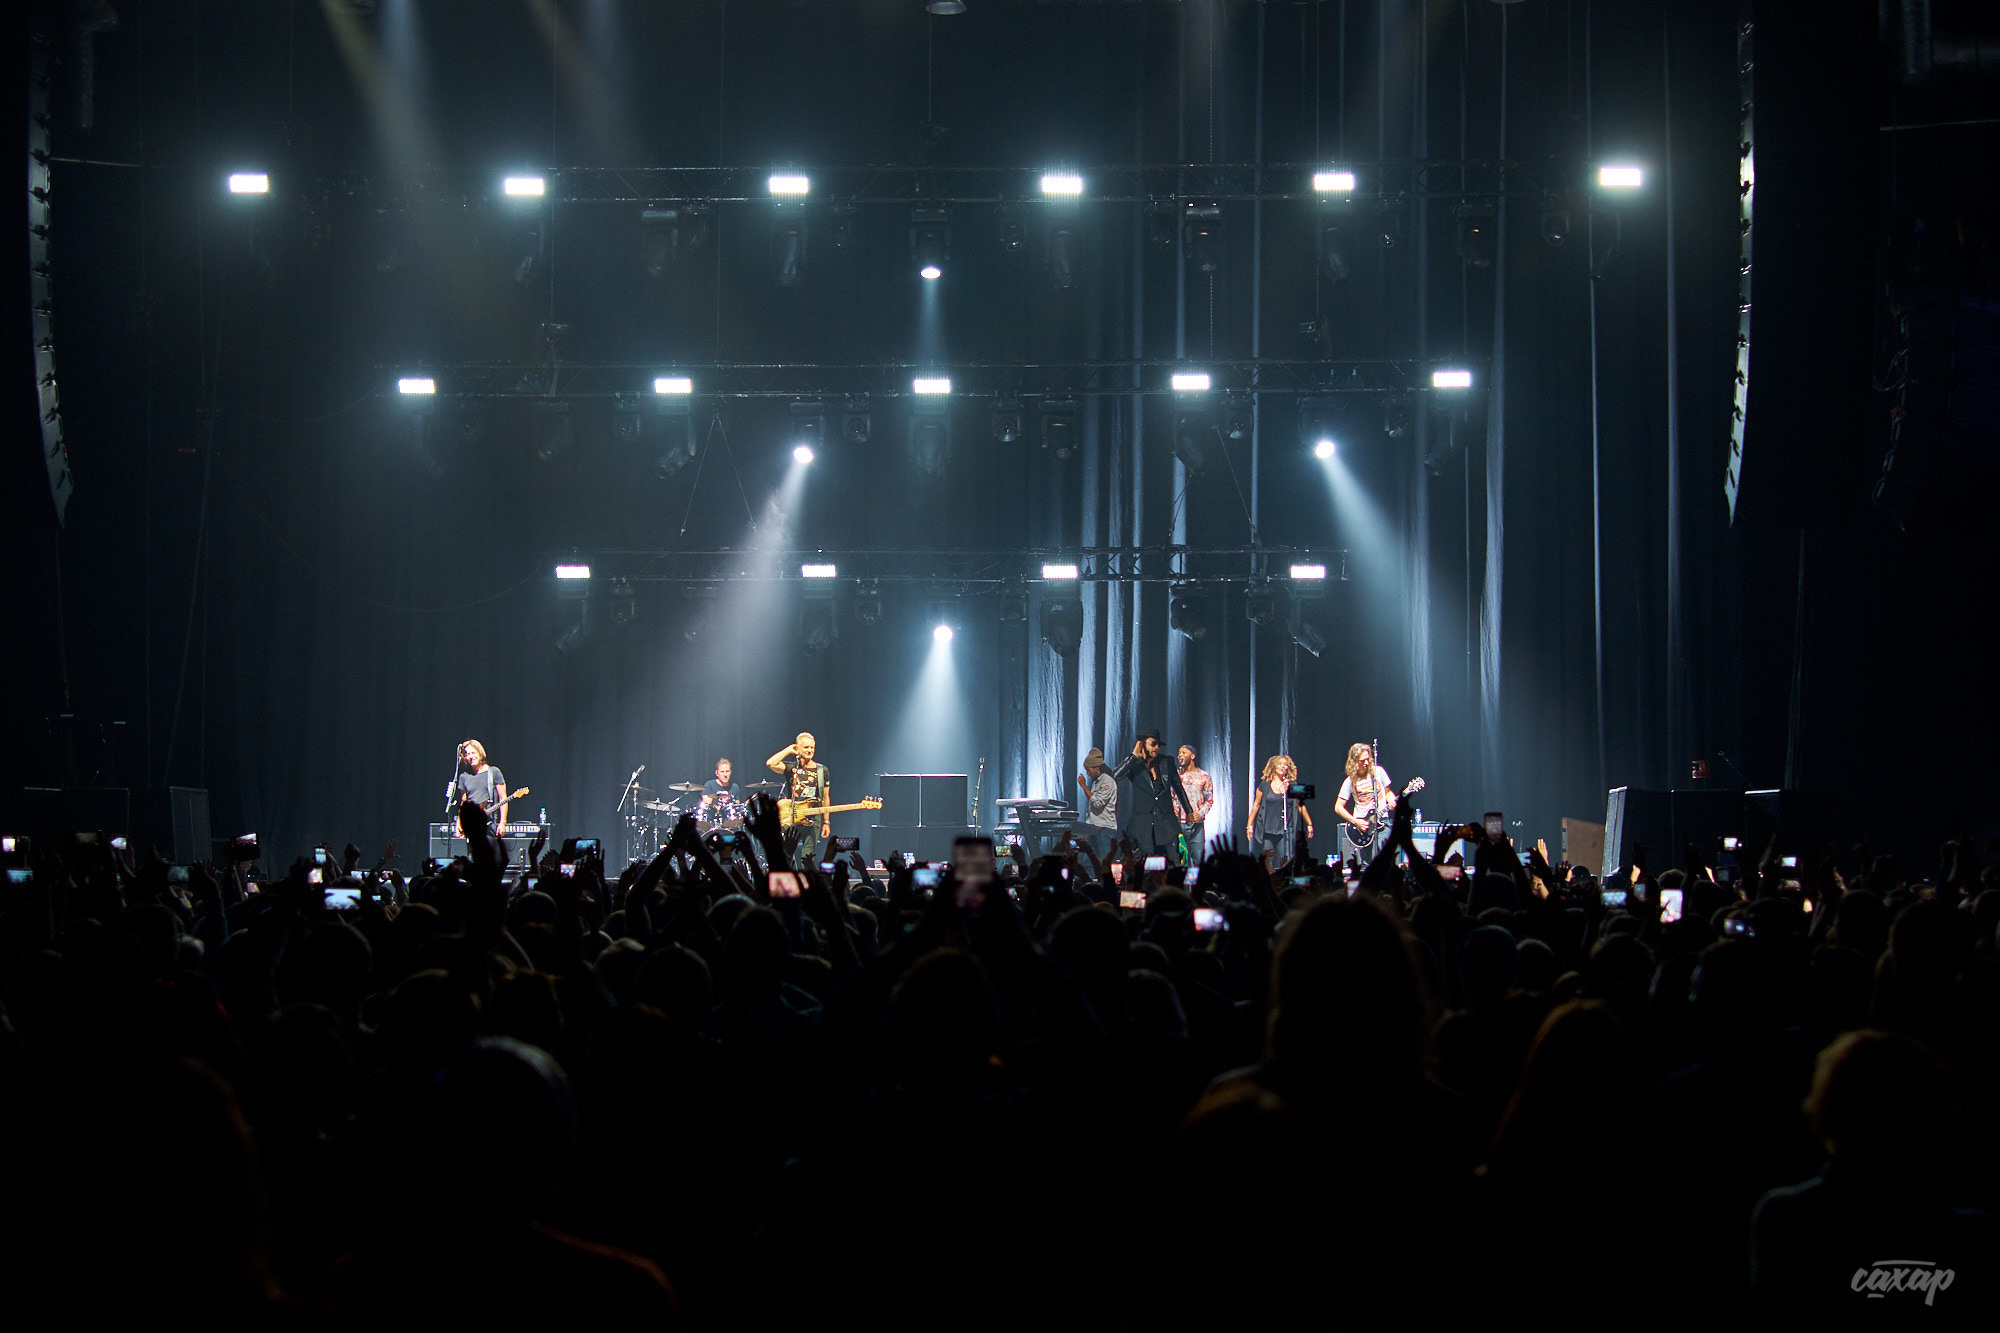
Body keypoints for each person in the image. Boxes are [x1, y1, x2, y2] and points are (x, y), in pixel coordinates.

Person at [1113, 728, 1195, 865]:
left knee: (1173, 862)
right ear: (1142, 744)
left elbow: (1178, 788)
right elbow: (1114, 776)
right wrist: (1133, 755)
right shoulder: (1133, 765)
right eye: (1153, 744)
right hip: (1142, 824)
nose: (1157, 748)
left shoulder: (1166, 761)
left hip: (1166, 822)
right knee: (1144, 863)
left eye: (1158, 745)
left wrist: (1189, 811)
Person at [765, 733, 830, 869]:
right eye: (806, 747)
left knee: (807, 858)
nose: (809, 750)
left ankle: (807, 885)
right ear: (798, 748)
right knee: (787, 854)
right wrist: (788, 750)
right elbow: (770, 763)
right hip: (793, 816)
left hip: (813, 819)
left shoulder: (821, 770)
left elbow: (825, 797)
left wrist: (826, 822)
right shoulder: (791, 768)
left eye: (812, 747)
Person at [1245, 755, 1314, 868]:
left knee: (1284, 860)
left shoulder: (1293, 785)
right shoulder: (1264, 785)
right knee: (1268, 861)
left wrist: (1309, 824)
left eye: (1285, 764)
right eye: (1280, 764)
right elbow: (1256, 805)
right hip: (1268, 830)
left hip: (1284, 831)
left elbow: (1300, 805)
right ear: (1274, 767)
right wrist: (1249, 825)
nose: (1283, 766)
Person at [1333, 742, 1395, 864]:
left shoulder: (1379, 772)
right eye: (1362, 761)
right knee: (1367, 863)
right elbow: (1338, 807)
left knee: (1385, 857)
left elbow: (1388, 792)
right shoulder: (1350, 781)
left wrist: (1391, 800)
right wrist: (1355, 821)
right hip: (1363, 827)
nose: (1366, 763)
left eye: (1368, 759)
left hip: (1383, 821)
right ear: (1354, 762)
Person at [451, 740, 508, 838]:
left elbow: (503, 798)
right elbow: (464, 803)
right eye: (467, 754)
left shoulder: (493, 772)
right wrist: (459, 823)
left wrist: (502, 822)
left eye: (473, 753)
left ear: (480, 753)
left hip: (488, 825)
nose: (471, 756)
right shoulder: (464, 777)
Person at [1171, 744, 1215, 863]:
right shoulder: (1175, 775)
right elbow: (1171, 796)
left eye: (1184, 753)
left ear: (1192, 756)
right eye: (1179, 753)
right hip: (1178, 824)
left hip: (1196, 825)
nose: (1180, 755)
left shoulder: (1204, 776)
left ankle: (1197, 881)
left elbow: (1209, 800)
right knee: (1179, 859)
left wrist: (1199, 814)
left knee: (1198, 859)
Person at [1076, 747, 1118, 859]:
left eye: (1089, 770)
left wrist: (1084, 787)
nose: (1087, 773)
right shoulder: (1096, 782)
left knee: (1104, 862)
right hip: (1094, 828)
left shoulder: (1107, 781)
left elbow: (1097, 803)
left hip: (1104, 829)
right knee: (1090, 862)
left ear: (1097, 768)